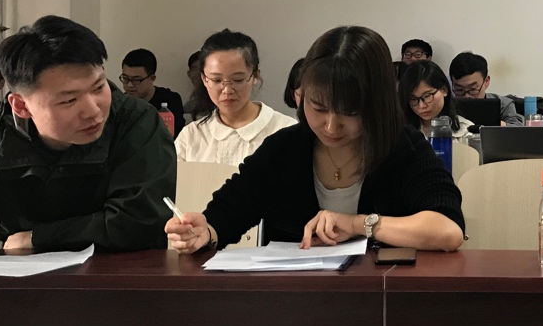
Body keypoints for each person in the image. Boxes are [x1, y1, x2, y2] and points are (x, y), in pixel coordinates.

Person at [0, 15, 176, 297]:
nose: (93, 110)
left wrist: (38, 238)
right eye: (69, 100)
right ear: (21, 106)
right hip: (16, 289)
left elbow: (141, 219)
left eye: (98, 87)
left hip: (121, 285)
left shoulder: (135, 122)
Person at [166, 26, 464, 254]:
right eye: (318, 108)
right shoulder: (284, 149)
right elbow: (226, 214)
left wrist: (359, 224)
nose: (331, 126)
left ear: (376, 104)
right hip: (299, 302)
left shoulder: (403, 147)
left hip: (383, 298)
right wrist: (203, 232)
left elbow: (447, 230)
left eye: (350, 112)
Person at [176, 30, 296, 165]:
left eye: (238, 80)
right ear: (204, 79)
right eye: (216, 80)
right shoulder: (190, 136)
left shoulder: (286, 131)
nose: (227, 90)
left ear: (255, 76)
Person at [119, 48, 185, 136]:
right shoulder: (120, 104)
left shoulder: (170, 100)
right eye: (125, 78)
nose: (130, 85)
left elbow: (177, 137)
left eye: (136, 80)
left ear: (152, 78)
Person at [400, 60, 473, 139]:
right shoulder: (401, 131)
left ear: (444, 90)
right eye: (413, 99)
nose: (421, 106)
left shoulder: (466, 131)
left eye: (427, 96)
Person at [449, 51, 524, 126]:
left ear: (486, 81)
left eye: (473, 89)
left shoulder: (503, 104)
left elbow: (517, 128)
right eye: (459, 89)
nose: (466, 96)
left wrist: (493, 123)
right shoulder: (447, 105)